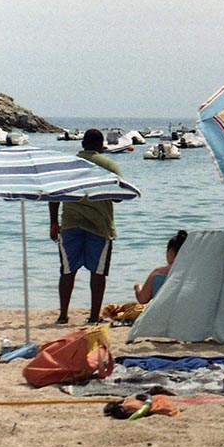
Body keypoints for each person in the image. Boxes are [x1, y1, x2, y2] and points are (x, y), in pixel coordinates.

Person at [49, 129, 122, 324]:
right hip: (100, 225)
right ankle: (93, 316)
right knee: (98, 272)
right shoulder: (109, 166)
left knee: (67, 271)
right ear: (101, 145)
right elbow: (117, 197)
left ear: (82, 145)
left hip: (70, 223)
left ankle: (63, 315)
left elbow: (55, 195)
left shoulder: (68, 165)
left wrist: (53, 222)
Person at [133, 230, 188, 304]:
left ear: (170, 252)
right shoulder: (194, 273)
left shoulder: (158, 273)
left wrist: (137, 287)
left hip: (161, 313)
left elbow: (142, 299)